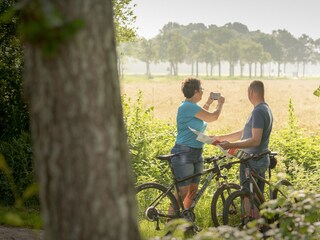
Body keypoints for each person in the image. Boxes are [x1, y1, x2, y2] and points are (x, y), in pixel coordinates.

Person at [216, 80, 273, 218]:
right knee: (258, 198)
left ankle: (251, 228)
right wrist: (221, 137)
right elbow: (244, 133)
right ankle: (260, 228)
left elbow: (255, 140)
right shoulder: (265, 108)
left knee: (248, 197)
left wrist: (231, 145)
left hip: (252, 161)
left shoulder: (258, 111)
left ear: (251, 92)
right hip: (260, 158)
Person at [170, 77, 225, 209]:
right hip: (184, 153)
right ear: (196, 91)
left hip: (196, 152)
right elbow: (212, 117)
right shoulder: (187, 107)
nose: (203, 91)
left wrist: (208, 102)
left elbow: (201, 115)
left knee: (192, 192)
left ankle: (186, 221)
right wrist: (220, 104)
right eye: (201, 89)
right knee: (182, 192)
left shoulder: (192, 107)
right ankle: (170, 224)